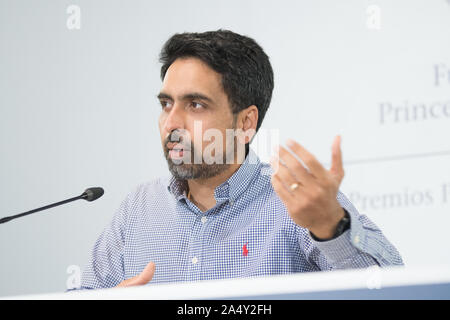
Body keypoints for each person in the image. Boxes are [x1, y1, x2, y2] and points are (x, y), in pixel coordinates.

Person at [75, 30, 403, 290]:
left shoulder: (292, 201)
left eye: (195, 105)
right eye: (166, 104)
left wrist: (332, 227)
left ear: (245, 123)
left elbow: (391, 288)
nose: (171, 123)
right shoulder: (138, 208)